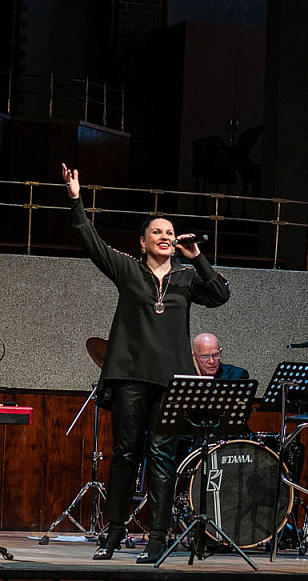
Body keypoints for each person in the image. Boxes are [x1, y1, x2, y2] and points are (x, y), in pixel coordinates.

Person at [62, 163, 230, 563]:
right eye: (158, 231)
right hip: (129, 375)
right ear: (142, 241)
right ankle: (114, 533)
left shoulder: (188, 278)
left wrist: (198, 255)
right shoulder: (128, 270)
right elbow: (90, 241)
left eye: (171, 233)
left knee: (162, 457)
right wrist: (75, 200)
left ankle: (157, 538)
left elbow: (220, 294)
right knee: (124, 455)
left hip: (171, 381)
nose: (166, 236)